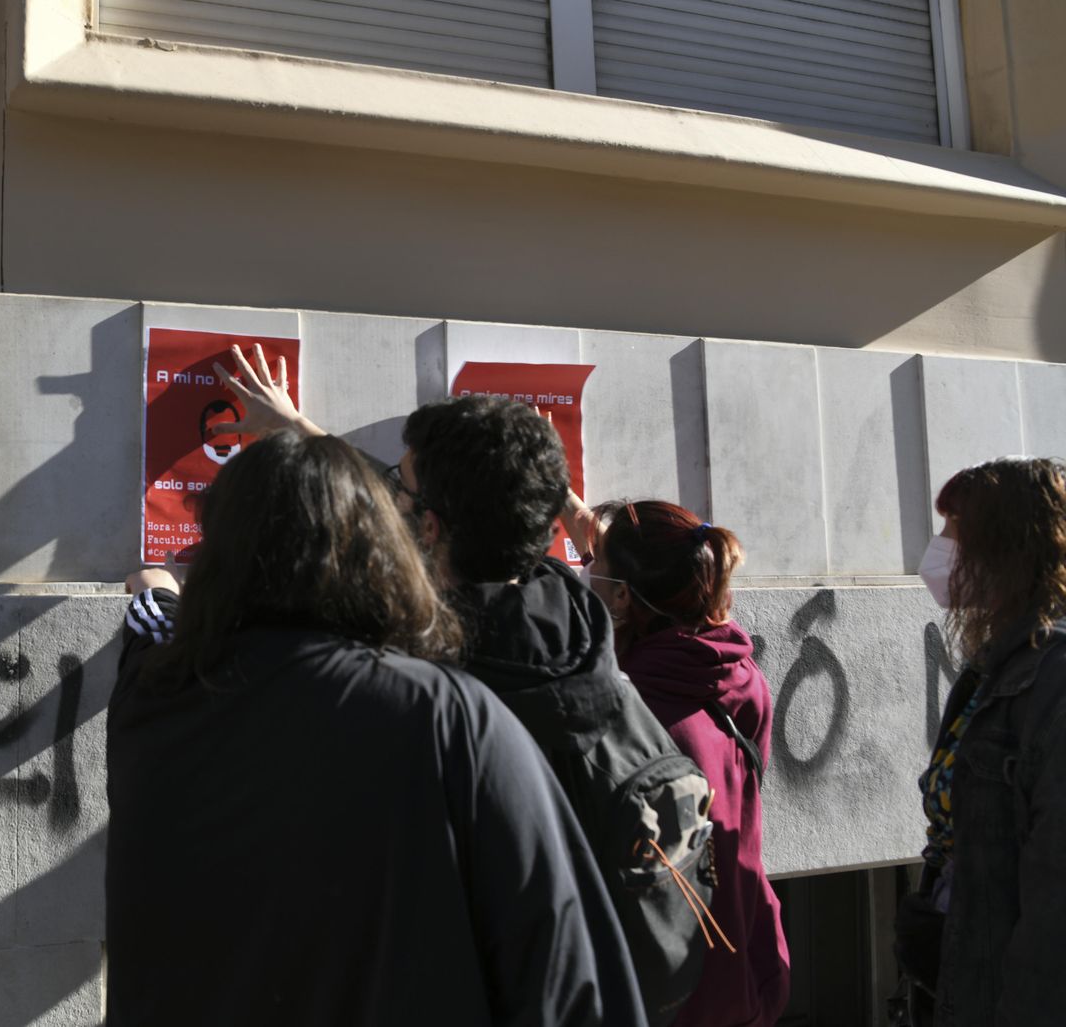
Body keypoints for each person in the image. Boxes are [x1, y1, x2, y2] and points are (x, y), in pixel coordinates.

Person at [213, 346, 719, 1026]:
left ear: (429, 528)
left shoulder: (421, 679)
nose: (392, 491)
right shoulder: (583, 619)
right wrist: (300, 425)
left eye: (406, 486)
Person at [109, 429, 646, 1027]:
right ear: (373, 554)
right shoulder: (441, 716)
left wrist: (156, 590)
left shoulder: (152, 698)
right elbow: (564, 975)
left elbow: (156, 624)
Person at [584, 499, 790, 1027]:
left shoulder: (633, 712)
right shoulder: (740, 679)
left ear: (624, 597)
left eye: (594, 566)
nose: (586, 576)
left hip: (673, 998)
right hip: (745, 972)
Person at [895, 457, 1066, 1026]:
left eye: (954, 533)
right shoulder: (991, 668)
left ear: (1009, 547)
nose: (939, 551)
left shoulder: (1053, 677)